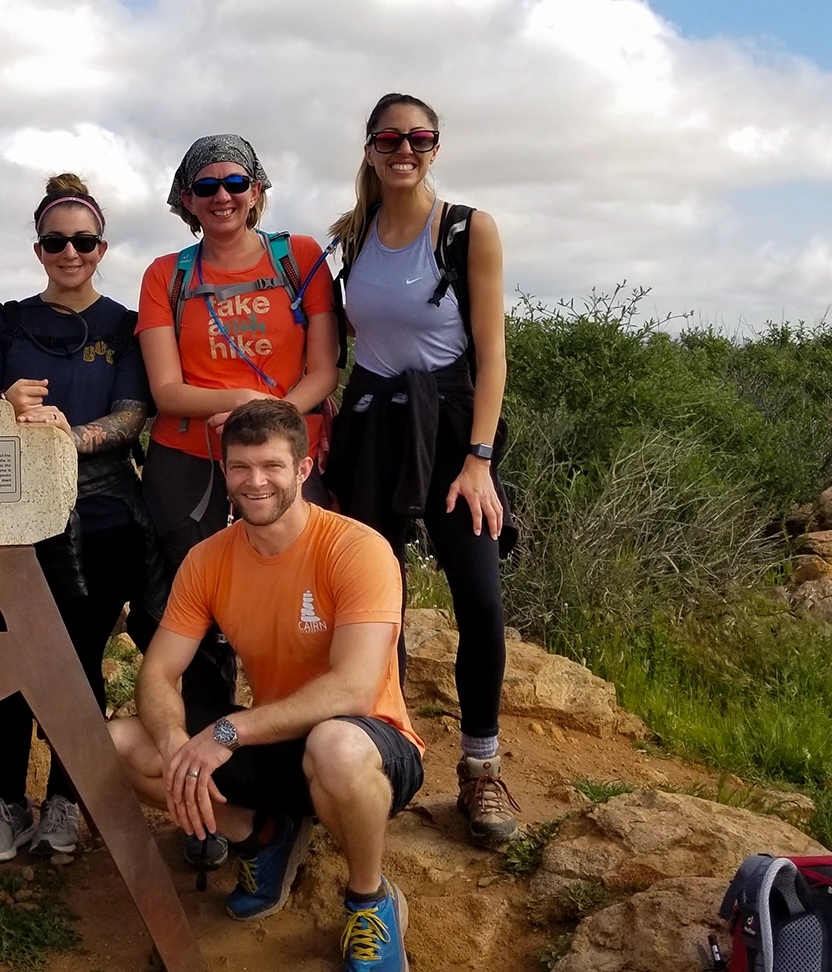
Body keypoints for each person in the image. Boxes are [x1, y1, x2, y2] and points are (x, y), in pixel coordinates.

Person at [109, 399, 421, 971]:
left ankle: (370, 900)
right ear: (223, 470)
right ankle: (265, 837)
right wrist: (178, 743)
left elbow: (352, 689)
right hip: (274, 741)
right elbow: (157, 672)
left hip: (370, 744)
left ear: (302, 470)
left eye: (272, 466)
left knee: (335, 744)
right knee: (121, 746)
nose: (255, 482)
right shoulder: (208, 560)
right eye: (240, 467)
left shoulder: (356, 549)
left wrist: (228, 730)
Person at [130, 133, 340, 869]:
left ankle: (319, 769)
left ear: (257, 189)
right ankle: (210, 792)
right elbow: (164, 390)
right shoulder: (167, 275)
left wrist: (265, 425)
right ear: (185, 200)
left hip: (281, 463)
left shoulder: (302, 258)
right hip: (188, 463)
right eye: (204, 186)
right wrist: (244, 398)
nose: (221, 197)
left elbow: (324, 368)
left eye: (235, 182)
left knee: (309, 608)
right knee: (188, 621)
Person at [320, 93, 516, 849]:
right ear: (368, 148)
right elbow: (337, 346)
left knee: (480, 597)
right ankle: (384, 753)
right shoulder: (352, 236)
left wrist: (480, 460)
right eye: (390, 138)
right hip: (373, 424)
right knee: (377, 601)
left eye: (419, 137)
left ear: (436, 146)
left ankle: (481, 767)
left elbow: (492, 353)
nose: (405, 149)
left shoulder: (467, 230)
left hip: (453, 425)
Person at [0, 173, 151, 862]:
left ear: (102, 246)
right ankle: (7, 802)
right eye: (55, 241)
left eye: (84, 241)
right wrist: (3, 407)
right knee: (2, 659)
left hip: (101, 513)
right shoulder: (2, 325)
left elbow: (131, 417)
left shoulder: (126, 329)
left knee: (76, 658)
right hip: (9, 514)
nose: (70, 253)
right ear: (38, 247)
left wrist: (60, 439)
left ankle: (67, 802)